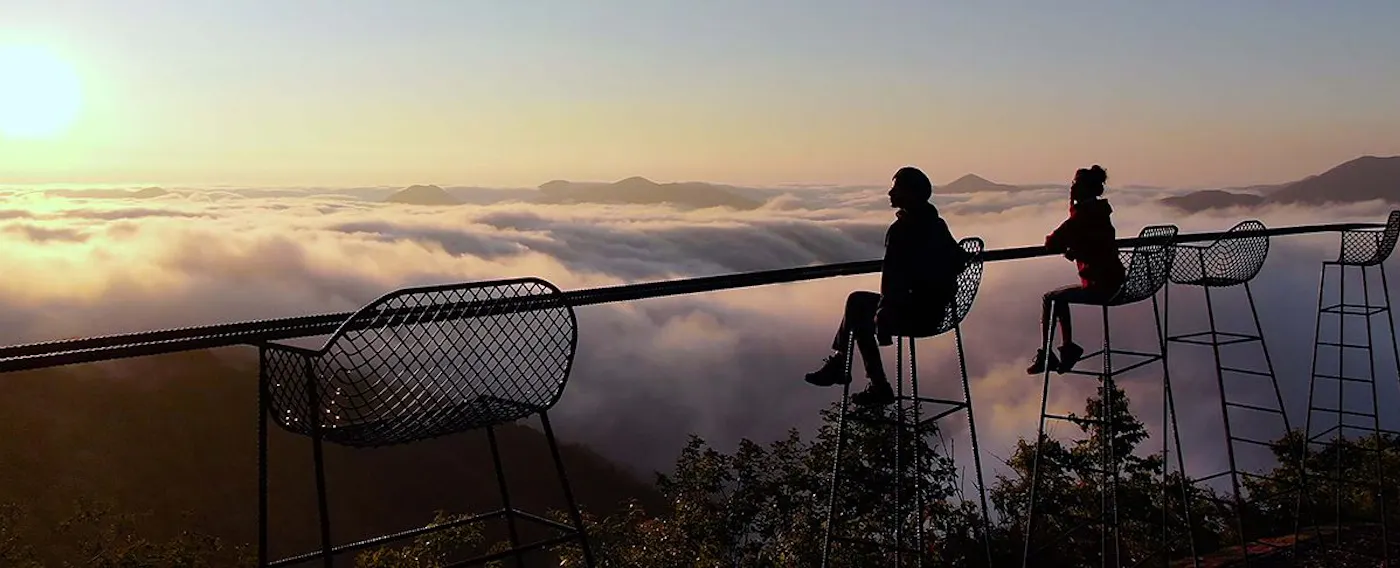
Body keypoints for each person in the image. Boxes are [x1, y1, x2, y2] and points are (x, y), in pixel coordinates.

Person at [805, 166, 967, 406]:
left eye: (895, 189)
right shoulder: (937, 225)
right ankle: (845, 365)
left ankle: (872, 382)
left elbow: (893, 279)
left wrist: (885, 311)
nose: (890, 194)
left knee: (857, 305)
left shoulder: (902, 230)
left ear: (909, 194)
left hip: (917, 315)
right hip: (937, 312)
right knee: (858, 306)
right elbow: (959, 261)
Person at [1027, 165, 1126, 375]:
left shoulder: (1082, 216)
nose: (1071, 188)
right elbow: (1096, 245)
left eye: (1074, 185)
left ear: (1080, 189)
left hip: (1101, 286)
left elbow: (1052, 242)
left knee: (1052, 298)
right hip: (1116, 282)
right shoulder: (1101, 213)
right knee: (1058, 297)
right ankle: (1065, 348)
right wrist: (1078, 250)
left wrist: (1072, 215)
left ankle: (1054, 352)